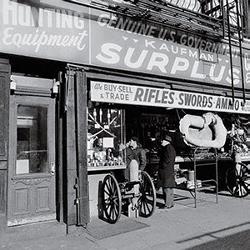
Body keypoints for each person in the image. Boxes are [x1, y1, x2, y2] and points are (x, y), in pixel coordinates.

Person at [158, 134, 176, 209]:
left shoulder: (167, 148)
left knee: (166, 188)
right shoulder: (171, 148)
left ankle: (167, 204)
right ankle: (171, 203)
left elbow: (166, 160)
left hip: (165, 171)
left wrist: (162, 166)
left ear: (166, 141)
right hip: (169, 170)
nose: (161, 141)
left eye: (162, 140)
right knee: (170, 188)